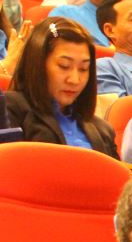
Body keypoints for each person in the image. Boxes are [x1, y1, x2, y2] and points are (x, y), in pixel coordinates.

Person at [5, 18, 117, 157]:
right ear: (38, 64)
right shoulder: (9, 109)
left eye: (83, 69)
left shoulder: (103, 130)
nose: (75, 80)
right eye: (64, 66)